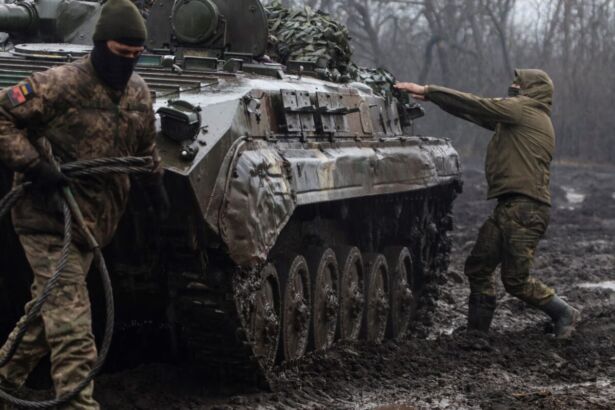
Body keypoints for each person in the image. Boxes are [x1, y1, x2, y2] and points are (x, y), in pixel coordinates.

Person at [0, 0, 169, 408]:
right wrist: (35, 164)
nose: (126, 62)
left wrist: (155, 190)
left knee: (47, 318)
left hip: (94, 222)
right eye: (119, 52)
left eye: (135, 55)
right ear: (98, 44)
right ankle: (79, 404)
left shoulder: (138, 91)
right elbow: (2, 114)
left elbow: (145, 149)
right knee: (73, 327)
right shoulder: (60, 83)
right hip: (48, 216)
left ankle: (3, 383)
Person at [395, 70, 580, 339]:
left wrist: (429, 91)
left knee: (516, 280)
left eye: (519, 83)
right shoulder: (521, 117)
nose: (513, 85)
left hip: (526, 209)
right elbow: (475, 113)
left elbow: (478, 104)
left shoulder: (525, 110)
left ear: (532, 90)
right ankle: (477, 333)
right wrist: (436, 100)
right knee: (478, 266)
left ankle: (564, 312)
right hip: (511, 207)